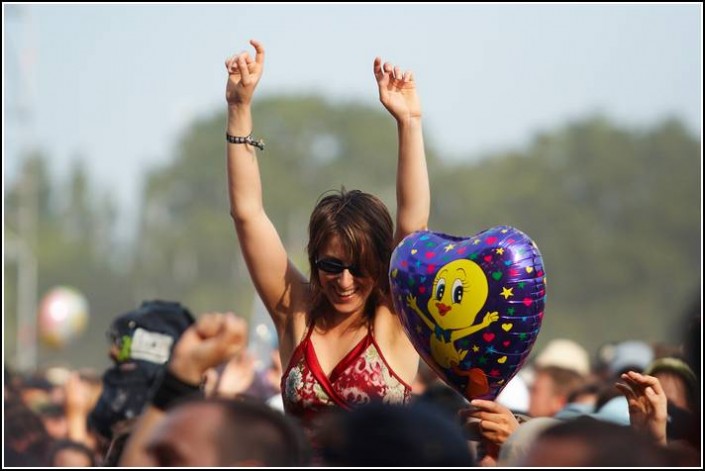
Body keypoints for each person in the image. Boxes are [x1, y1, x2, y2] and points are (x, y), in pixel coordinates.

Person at [224, 39, 429, 428]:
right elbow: (247, 214)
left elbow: (413, 226)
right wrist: (239, 109)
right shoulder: (293, 313)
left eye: (361, 267)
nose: (345, 281)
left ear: (382, 263)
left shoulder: (395, 316)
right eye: (331, 265)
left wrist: (410, 123)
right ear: (314, 259)